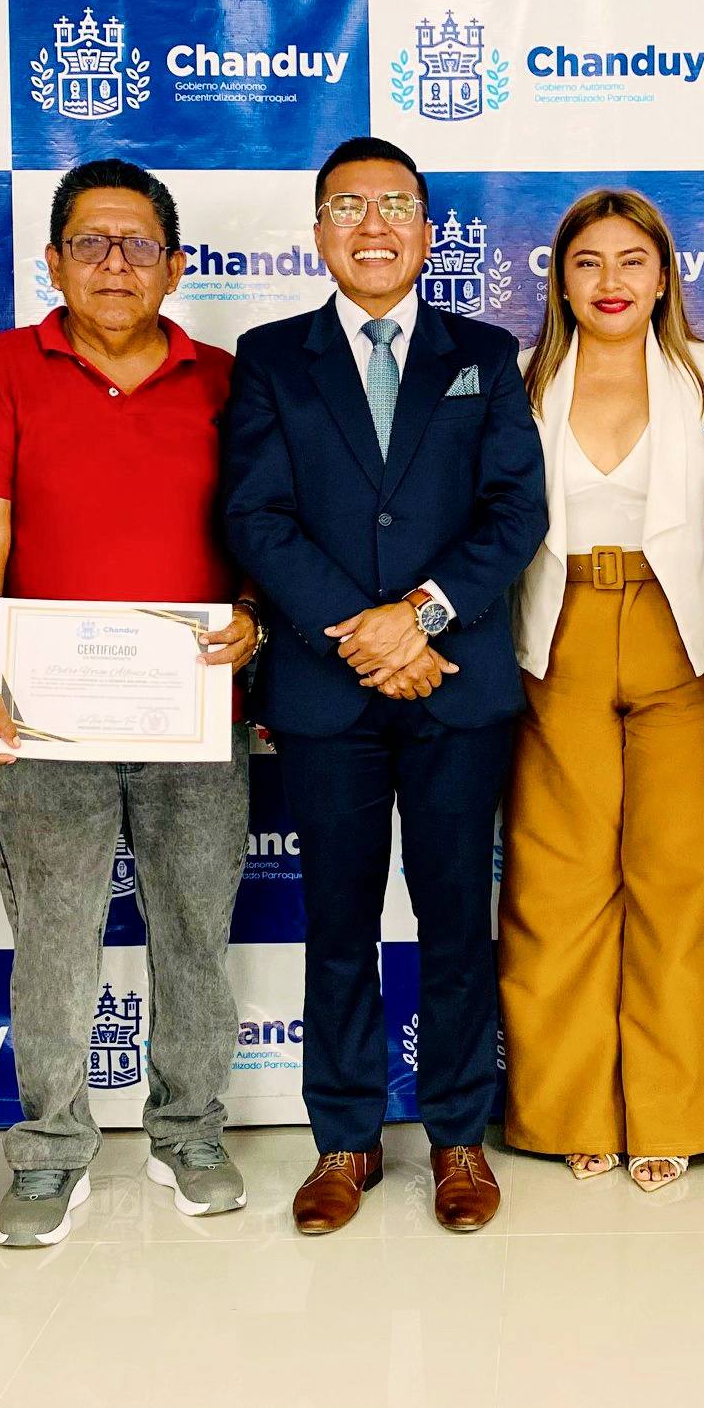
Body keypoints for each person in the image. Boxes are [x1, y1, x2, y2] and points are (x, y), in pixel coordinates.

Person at [222, 136, 547, 1237]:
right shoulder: (271, 356)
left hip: (455, 683)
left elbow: (515, 510)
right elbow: (257, 515)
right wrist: (363, 634)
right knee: (338, 923)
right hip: (328, 691)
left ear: (427, 230)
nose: (373, 225)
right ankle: (345, 1138)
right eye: (350, 206)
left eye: (396, 205)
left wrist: (421, 616)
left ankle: (458, 1134)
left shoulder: (484, 353)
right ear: (319, 231)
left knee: (456, 919)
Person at [0, 158, 261, 1248]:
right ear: (52, 261)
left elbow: (262, 525)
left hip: (195, 706)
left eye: (138, 244)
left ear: (175, 264)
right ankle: (49, 1147)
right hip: (46, 712)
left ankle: (191, 1130)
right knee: (54, 939)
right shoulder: (1, 368)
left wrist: (254, 613)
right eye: (90, 242)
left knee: (195, 930)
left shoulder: (226, 379)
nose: (115, 263)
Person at [502, 188, 704, 1193]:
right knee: (557, 880)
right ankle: (570, 1109)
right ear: (560, 280)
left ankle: (675, 1111)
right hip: (557, 629)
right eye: (587, 262)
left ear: (664, 276)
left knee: (683, 875)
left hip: (685, 631)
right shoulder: (523, 378)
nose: (610, 281)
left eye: (631, 261)